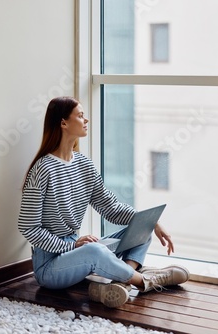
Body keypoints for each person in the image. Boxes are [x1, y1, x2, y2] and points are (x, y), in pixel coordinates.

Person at [18, 96, 189, 308]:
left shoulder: (84, 165)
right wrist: (72, 245)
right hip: (51, 267)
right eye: (80, 116)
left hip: (79, 253)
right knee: (95, 250)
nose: (86, 120)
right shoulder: (42, 170)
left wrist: (152, 223)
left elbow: (111, 208)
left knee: (140, 228)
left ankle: (121, 283)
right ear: (63, 123)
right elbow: (28, 227)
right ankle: (145, 281)